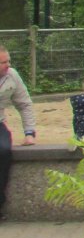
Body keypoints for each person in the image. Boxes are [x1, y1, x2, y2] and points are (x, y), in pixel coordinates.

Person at [0, 46, 38, 220]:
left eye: (8, 61)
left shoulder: (12, 75)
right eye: (2, 62)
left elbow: (24, 104)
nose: (7, 65)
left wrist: (29, 132)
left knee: (3, 151)